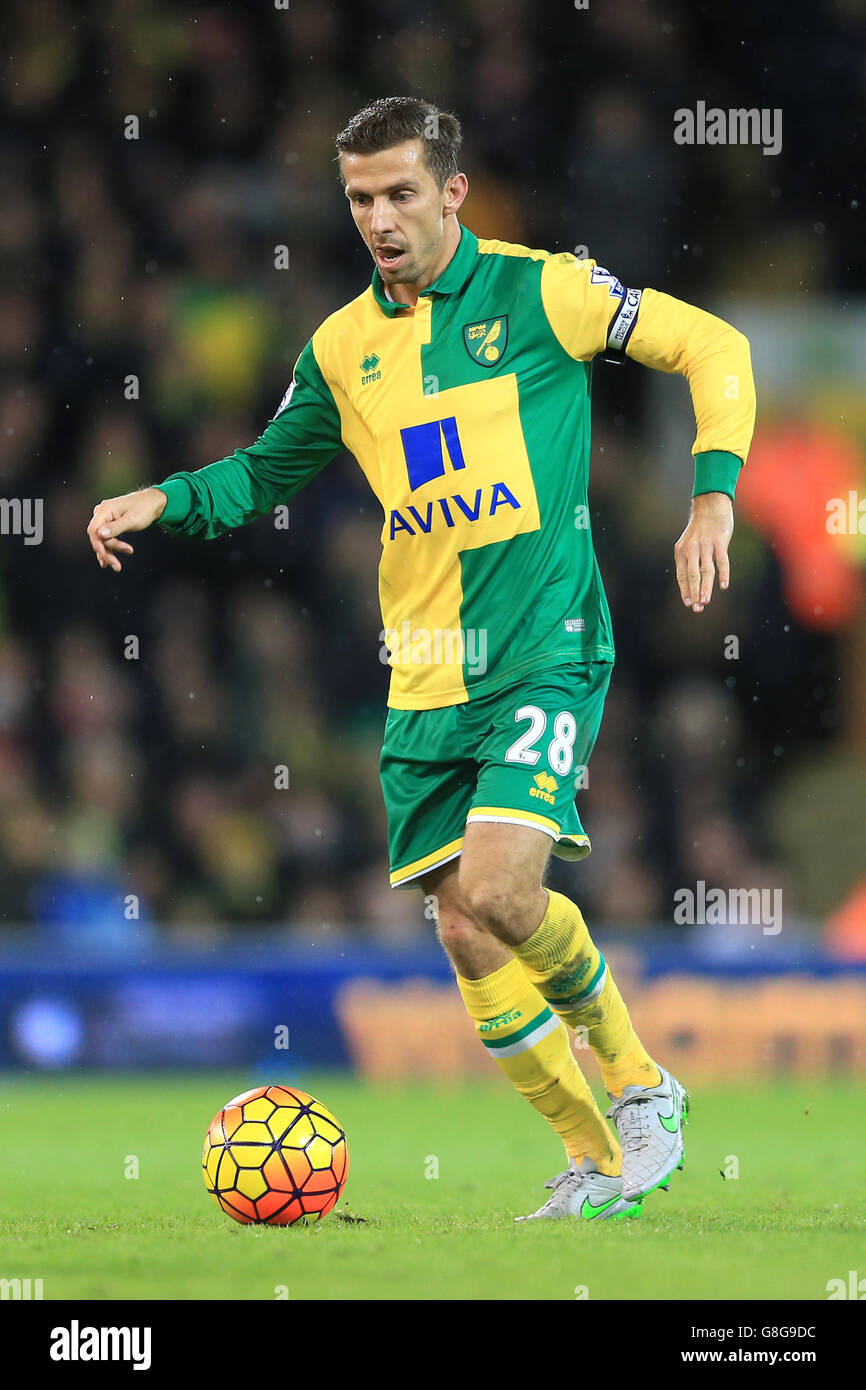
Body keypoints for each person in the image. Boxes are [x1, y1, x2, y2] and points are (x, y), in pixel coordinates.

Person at [87, 96, 755, 1222]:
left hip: (544, 645)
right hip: (424, 675)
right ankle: (595, 1160)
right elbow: (261, 473)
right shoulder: (342, 350)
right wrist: (165, 494)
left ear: (451, 191)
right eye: (359, 199)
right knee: (459, 923)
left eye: (401, 193)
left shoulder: (545, 289)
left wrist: (710, 495)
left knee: (499, 887)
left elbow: (712, 343)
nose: (380, 219)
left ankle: (643, 1086)